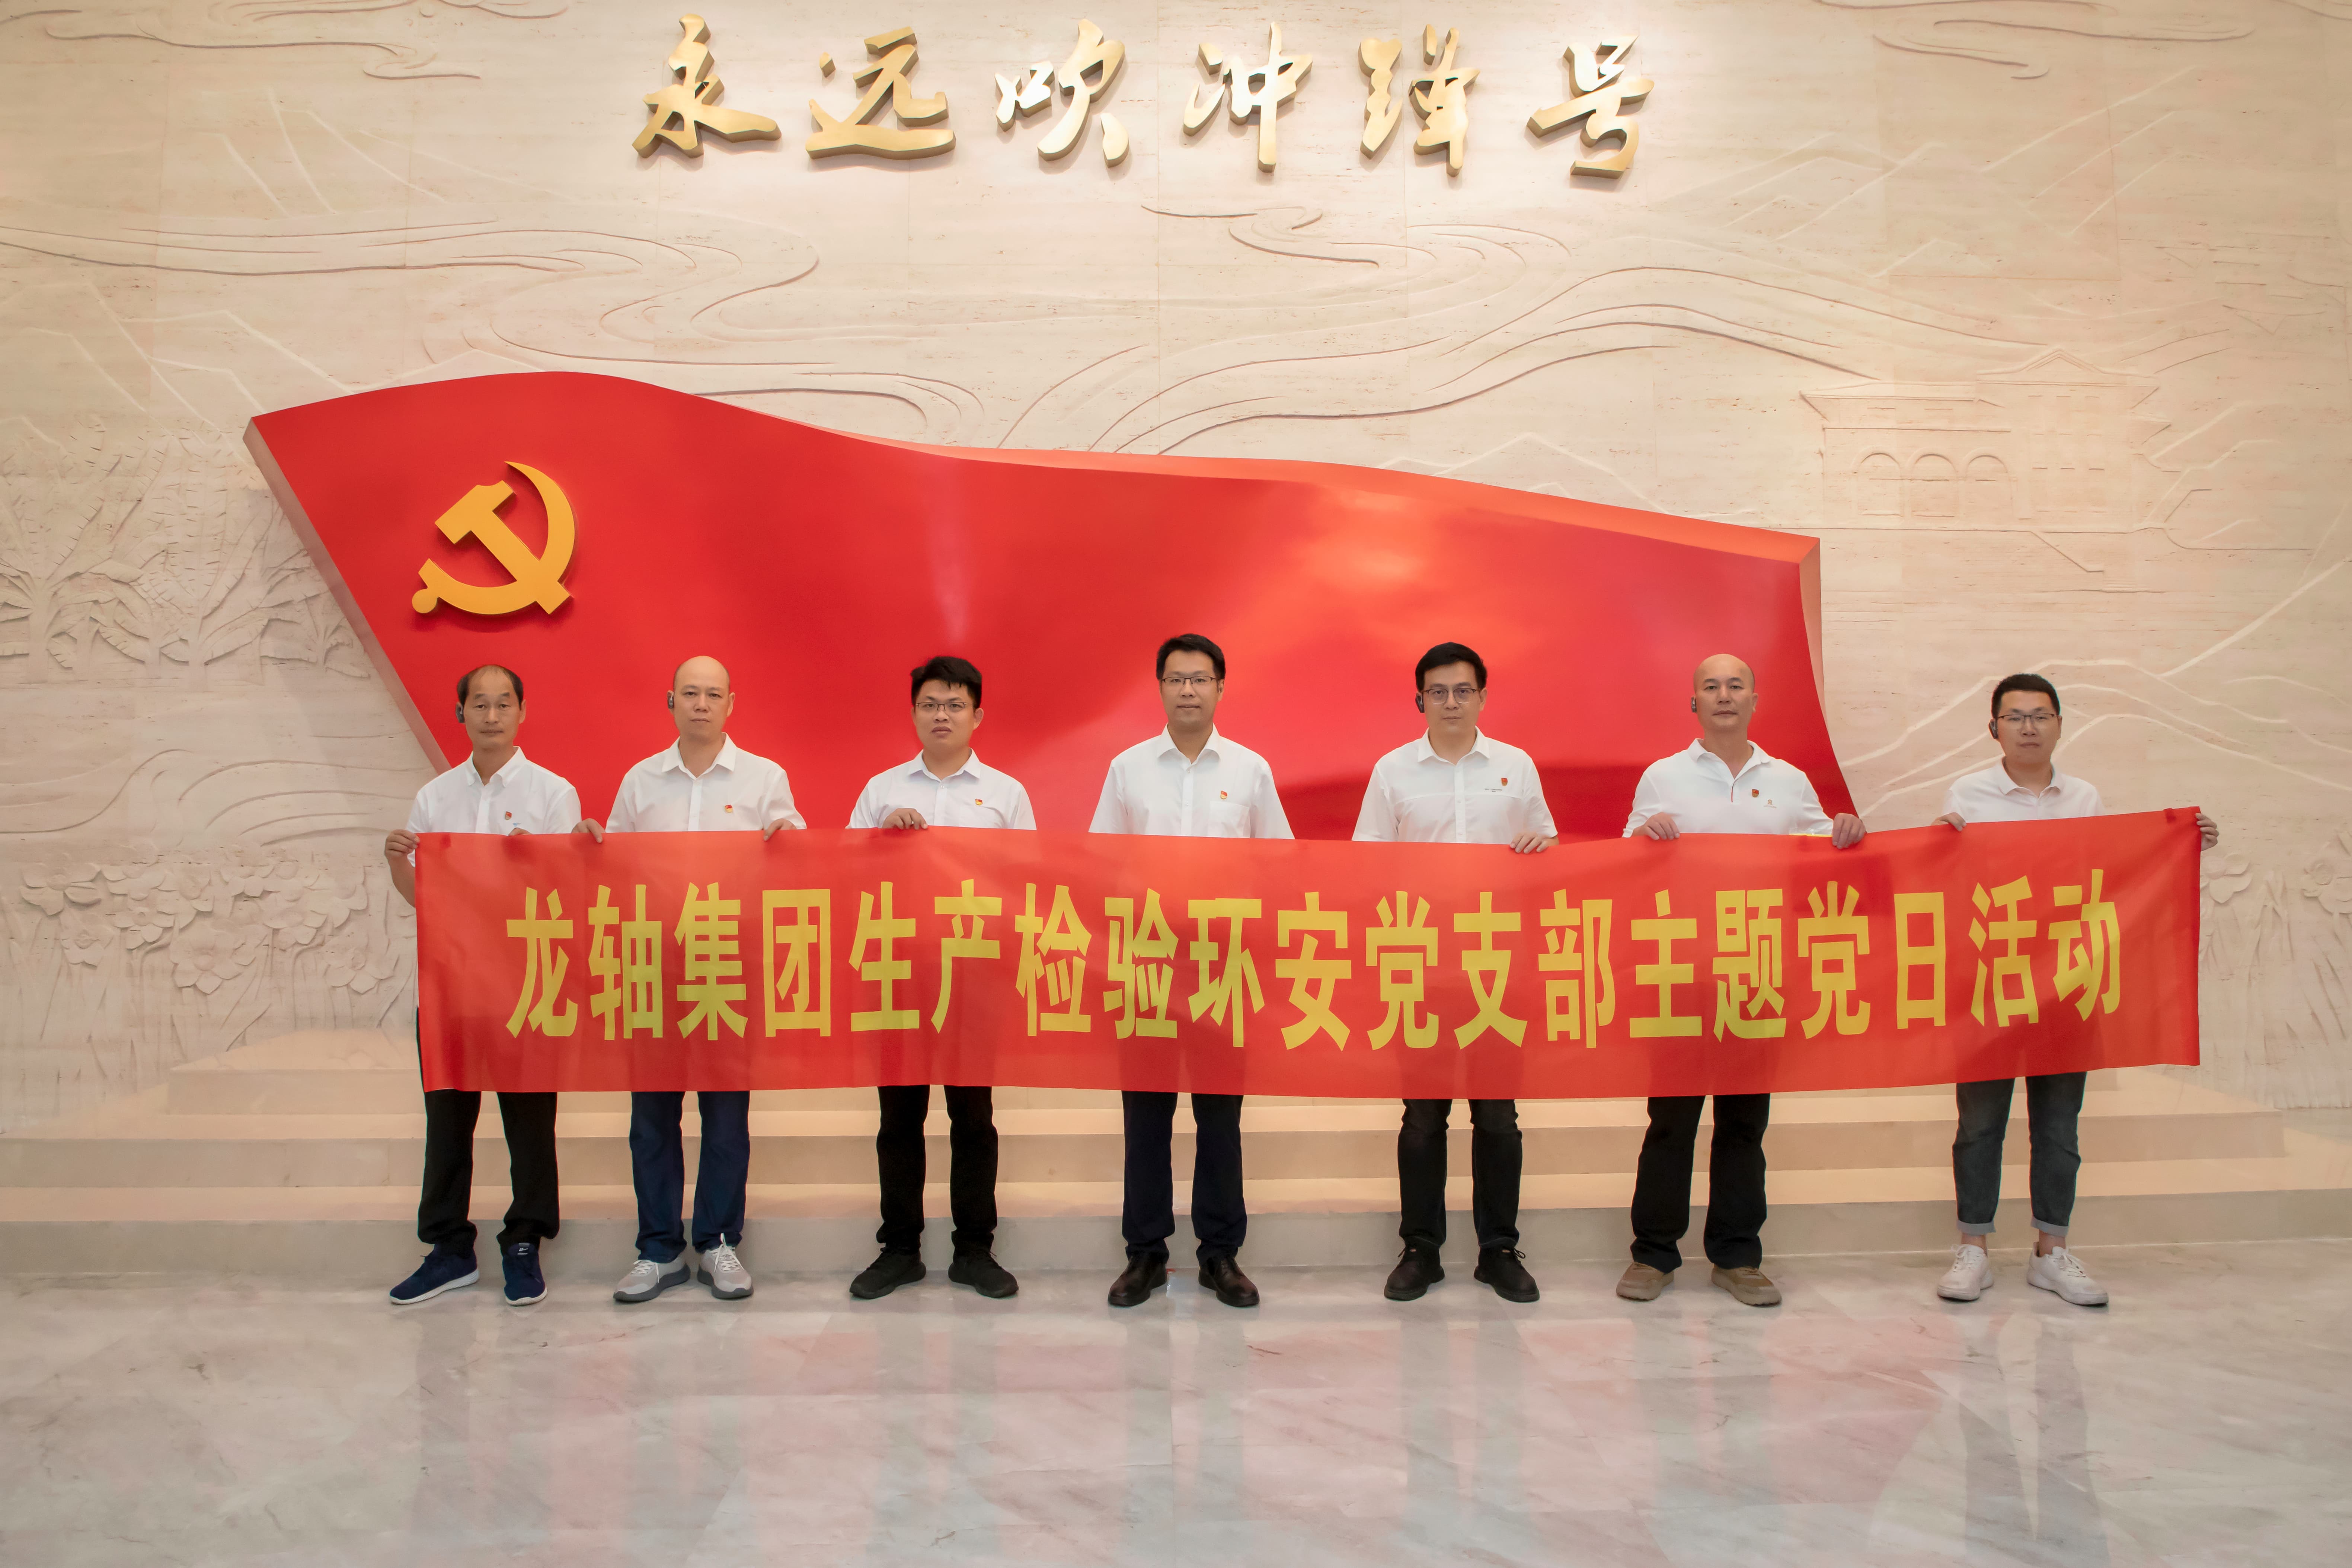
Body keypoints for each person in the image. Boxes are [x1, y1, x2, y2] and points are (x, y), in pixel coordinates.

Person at [1931, 673, 2220, 1308]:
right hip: (1991, 985)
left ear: (2060, 725)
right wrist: (1934, 843)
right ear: (1994, 729)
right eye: (2016, 717)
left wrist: (2182, 842)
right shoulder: (1968, 795)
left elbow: (2114, 868)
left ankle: (2051, 1250)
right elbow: (1945, 875)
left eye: (2041, 715)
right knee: (1980, 1123)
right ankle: (1973, 1248)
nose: (2029, 727)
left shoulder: (2084, 796)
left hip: (2067, 982)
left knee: (2059, 1126)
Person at [1617, 653, 1867, 1308]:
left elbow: (1826, 856)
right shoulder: (1663, 776)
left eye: (1736, 685)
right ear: (1693, 702)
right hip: (1679, 970)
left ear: (1755, 699)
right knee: (1671, 1119)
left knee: (1744, 1122)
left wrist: (1847, 832)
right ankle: (1653, 1253)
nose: (1724, 695)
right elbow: (1626, 861)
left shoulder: (1789, 780)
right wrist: (1645, 836)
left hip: (1759, 972)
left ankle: (1737, 1254)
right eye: (1711, 686)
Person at [575, 656, 803, 1305]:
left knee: (726, 1115)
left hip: (728, 966)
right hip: (654, 964)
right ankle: (657, 1249)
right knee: (652, 1116)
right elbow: (615, 865)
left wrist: (789, 838)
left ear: (732, 703)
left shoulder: (765, 777)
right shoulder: (641, 780)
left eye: (714, 694)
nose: (702, 704)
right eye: (691, 693)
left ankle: (719, 1242)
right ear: (670, 700)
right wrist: (589, 842)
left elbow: (796, 856)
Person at [1090, 633, 1292, 1311]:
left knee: (1219, 1116)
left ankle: (1220, 1253)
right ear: (1160, 687)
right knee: (1146, 1113)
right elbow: (1101, 863)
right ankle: (1145, 1253)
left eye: (1200, 679)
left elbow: (1279, 863)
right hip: (1147, 959)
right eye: (1176, 679)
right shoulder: (1128, 768)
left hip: (1222, 962)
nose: (1188, 690)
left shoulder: (1251, 769)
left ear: (1220, 688)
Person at [1355, 641, 1556, 1305]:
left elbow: (1549, 846)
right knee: (1422, 1117)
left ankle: (1499, 1248)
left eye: (1463, 690)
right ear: (1420, 700)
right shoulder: (1392, 771)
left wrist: (1541, 848)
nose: (1450, 702)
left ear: (1482, 697)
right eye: (1437, 692)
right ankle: (1422, 1248)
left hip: (1499, 964)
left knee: (1498, 1116)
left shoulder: (1516, 766)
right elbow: (1366, 863)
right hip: (1423, 963)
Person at [384, 665, 581, 1308]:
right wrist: (397, 861)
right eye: (479, 704)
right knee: (448, 1121)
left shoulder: (554, 793)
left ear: (522, 712)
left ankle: (525, 1239)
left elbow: (569, 892)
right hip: (452, 986)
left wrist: (538, 860)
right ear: (460, 713)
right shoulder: (434, 797)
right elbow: (424, 899)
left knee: (530, 1122)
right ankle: (449, 1246)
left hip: (526, 983)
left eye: (503, 704)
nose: (491, 716)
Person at [844, 656, 1032, 1300]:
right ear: (914, 713)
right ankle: (899, 1249)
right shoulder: (881, 790)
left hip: (974, 975)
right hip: (898, 972)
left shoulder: (1006, 794)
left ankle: (974, 1249)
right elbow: (841, 873)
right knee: (899, 1117)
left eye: (955, 704)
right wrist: (881, 838)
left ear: (978, 715)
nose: (942, 715)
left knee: (973, 1117)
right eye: (930, 704)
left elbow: (1027, 878)